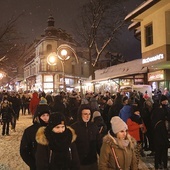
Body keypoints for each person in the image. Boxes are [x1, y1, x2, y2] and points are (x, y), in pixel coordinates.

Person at [20, 103, 51, 170]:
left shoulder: (52, 129)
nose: (46, 118)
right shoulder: (29, 131)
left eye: (47, 115)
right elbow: (24, 150)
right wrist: (33, 164)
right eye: (43, 115)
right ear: (38, 116)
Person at [71, 104, 99, 170]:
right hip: (80, 162)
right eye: (85, 114)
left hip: (92, 161)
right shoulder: (74, 128)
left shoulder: (94, 127)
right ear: (80, 114)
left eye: (89, 114)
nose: (87, 116)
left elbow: (98, 143)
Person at [151, 95, 170, 170]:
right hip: (162, 136)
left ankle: (158, 165)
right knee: (163, 150)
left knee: (158, 151)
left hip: (158, 137)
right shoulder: (163, 121)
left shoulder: (156, 114)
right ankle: (163, 165)